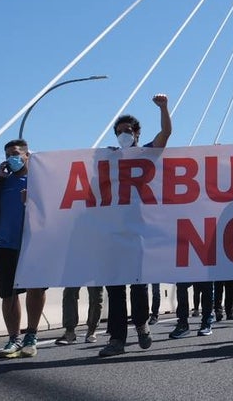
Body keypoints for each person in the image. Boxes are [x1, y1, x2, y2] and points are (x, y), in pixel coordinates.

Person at [99, 94, 172, 357]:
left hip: (138, 229)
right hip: (112, 231)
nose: (123, 135)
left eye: (128, 131)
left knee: (138, 283)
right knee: (115, 287)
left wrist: (163, 108)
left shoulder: (146, 153)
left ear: (137, 133)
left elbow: (166, 133)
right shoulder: (107, 158)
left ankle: (141, 324)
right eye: (119, 132)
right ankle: (117, 339)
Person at [0, 140, 47, 359]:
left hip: (34, 245)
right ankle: (13, 338)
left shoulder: (40, 182)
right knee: (9, 295)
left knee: (36, 290)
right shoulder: (2, 182)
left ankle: (31, 336)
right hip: (5, 245)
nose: (11, 158)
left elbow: (55, 208)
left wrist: (33, 201)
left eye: (16, 154)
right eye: (8, 155)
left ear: (28, 156)